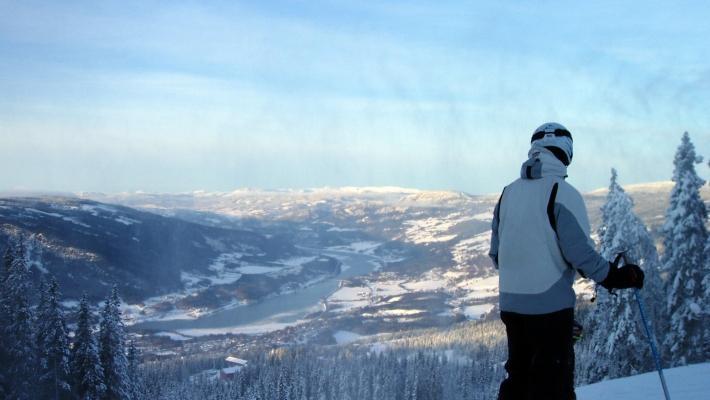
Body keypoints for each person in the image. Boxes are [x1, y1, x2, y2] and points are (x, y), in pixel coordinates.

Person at [488, 122, 645, 400]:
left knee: (519, 379)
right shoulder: (562, 192)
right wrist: (615, 277)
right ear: (566, 151)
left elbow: (497, 254)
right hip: (550, 309)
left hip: (511, 305)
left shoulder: (507, 193)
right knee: (553, 386)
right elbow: (581, 255)